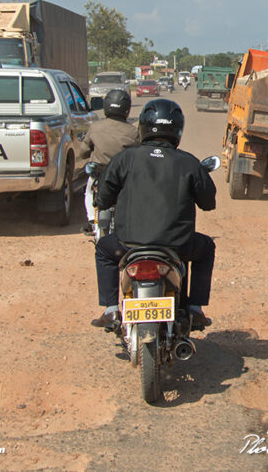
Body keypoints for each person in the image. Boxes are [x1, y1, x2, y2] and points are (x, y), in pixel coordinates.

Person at [90, 98, 218, 331]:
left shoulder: (124, 159)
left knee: (103, 249)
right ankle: (195, 309)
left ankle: (110, 310)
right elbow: (209, 203)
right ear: (178, 129)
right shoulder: (189, 163)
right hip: (177, 246)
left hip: (126, 245)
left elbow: (103, 198)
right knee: (206, 248)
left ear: (143, 126)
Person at [80, 89, 140, 235]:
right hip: (123, 177)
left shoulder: (95, 127)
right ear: (127, 109)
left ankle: (91, 220)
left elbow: (83, 152)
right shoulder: (133, 132)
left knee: (88, 191)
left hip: (99, 173)